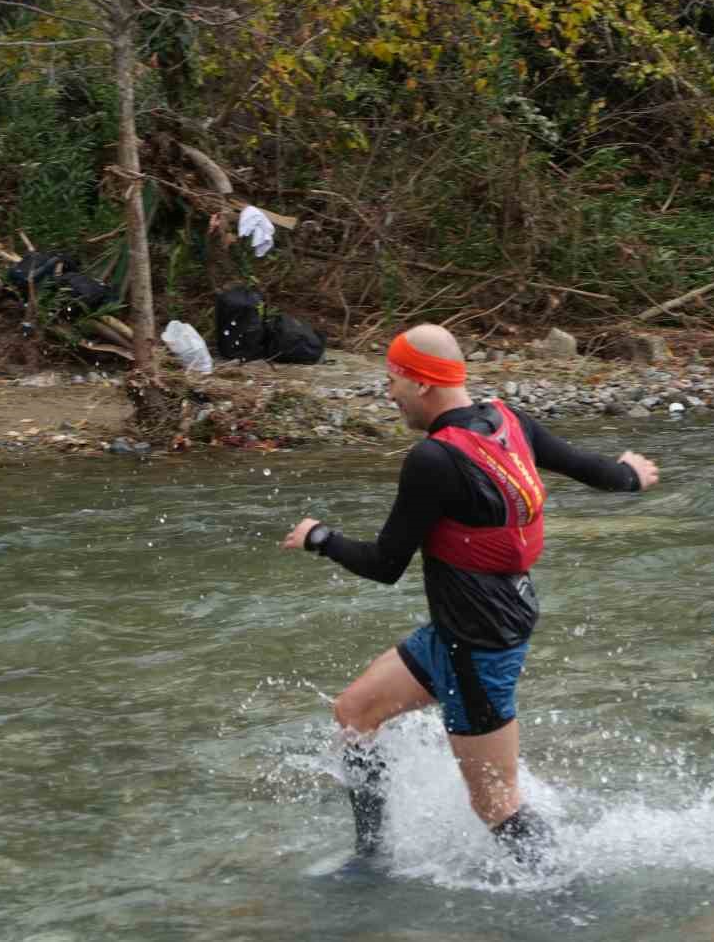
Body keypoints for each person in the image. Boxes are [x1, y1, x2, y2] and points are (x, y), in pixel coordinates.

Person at [281, 324, 660, 868]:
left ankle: (565, 896)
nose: (388, 394)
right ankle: (371, 857)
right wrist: (627, 476)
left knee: (496, 803)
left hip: (476, 642)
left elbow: (385, 566)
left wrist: (321, 539)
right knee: (355, 713)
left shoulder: (433, 461)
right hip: (469, 625)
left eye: (394, 382)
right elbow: (586, 467)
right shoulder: (507, 421)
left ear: (423, 384)